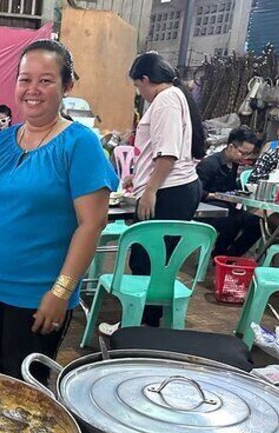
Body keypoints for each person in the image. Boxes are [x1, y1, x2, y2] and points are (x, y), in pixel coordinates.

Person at [0, 39, 117, 382]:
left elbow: (91, 224)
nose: (33, 90)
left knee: (28, 383)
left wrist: (61, 291)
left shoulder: (79, 144)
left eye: (46, 80)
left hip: (40, 293)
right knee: (2, 372)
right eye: (25, 79)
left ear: (67, 86)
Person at [125, 52, 206, 327]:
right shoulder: (174, 97)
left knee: (145, 259)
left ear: (146, 79)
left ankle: (143, 324)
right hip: (175, 188)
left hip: (169, 191)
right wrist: (140, 178)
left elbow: (168, 154)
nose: (140, 93)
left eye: (138, 86)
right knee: (155, 259)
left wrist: (149, 190)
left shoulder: (165, 101)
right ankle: (149, 320)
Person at [196, 126, 261, 257]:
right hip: (206, 210)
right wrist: (217, 196)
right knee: (233, 220)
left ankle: (231, 256)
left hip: (227, 207)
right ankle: (219, 254)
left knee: (255, 222)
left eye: (249, 154)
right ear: (231, 147)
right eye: (242, 153)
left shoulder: (234, 164)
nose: (245, 157)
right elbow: (196, 193)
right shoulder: (210, 164)